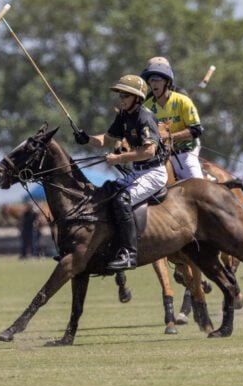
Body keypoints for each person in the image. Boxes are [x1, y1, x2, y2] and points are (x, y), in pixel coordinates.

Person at [73, 74, 168, 270]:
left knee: (121, 199)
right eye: (120, 96)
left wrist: (118, 159)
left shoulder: (145, 117)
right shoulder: (124, 116)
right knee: (105, 193)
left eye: (126, 95)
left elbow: (149, 151)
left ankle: (130, 255)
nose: (122, 99)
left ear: (137, 98)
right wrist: (86, 138)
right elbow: (105, 140)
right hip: (138, 173)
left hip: (154, 173)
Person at [141, 57, 205, 180]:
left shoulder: (182, 98)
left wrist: (168, 137)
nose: (153, 83)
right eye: (151, 79)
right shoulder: (146, 106)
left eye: (157, 79)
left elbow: (196, 130)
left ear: (167, 81)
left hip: (184, 151)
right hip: (158, 156)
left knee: (198, 185)